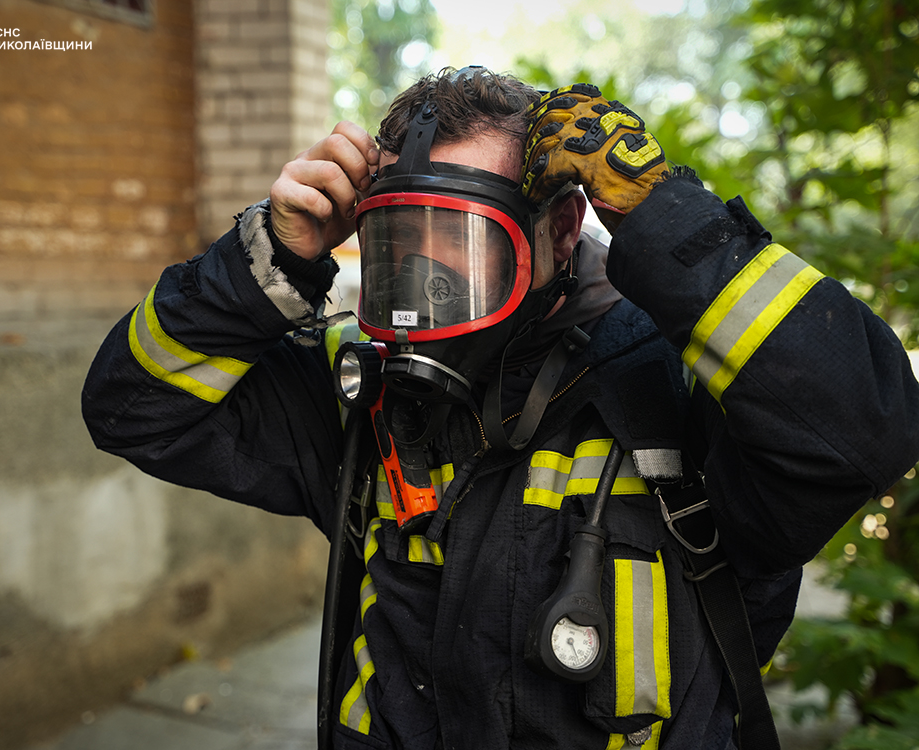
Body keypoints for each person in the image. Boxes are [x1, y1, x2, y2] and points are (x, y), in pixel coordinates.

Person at [82, 66, 919, 750]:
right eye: (400, 234)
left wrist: (660, 211)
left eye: (462, 232)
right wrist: (268, 258)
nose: (427, 270)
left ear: (559, 234)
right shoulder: (367, 393)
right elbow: (133, 405)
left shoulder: (682, 396)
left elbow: (864, 427)